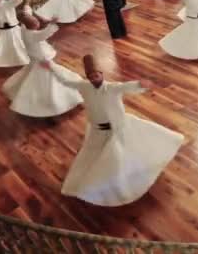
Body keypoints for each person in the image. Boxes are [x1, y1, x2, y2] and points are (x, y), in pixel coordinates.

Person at [41, 54, 183, 206]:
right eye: (90, 76)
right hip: (98, 130)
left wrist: (140, 85)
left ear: (102, 74)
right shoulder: (83, 86)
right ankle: (97, 181)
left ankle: (123, 182)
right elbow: (66, 81)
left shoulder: (112, 88)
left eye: (96, 74)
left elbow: (127, 86)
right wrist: (51, 68)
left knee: (118, 155)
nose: (94, 78)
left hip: (118, 128)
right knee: (96, 156)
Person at [3, 1, 83, 117]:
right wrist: (53, 23)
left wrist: (27, 4)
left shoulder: (23, 29)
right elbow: (46, 33)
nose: (38, 24)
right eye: (36, 24)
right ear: (32, 26)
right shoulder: (33, 35)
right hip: (42, 59)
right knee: (52, 80)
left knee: (34, 77)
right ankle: (56, 103)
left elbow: (27, 14)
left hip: (34, 59)